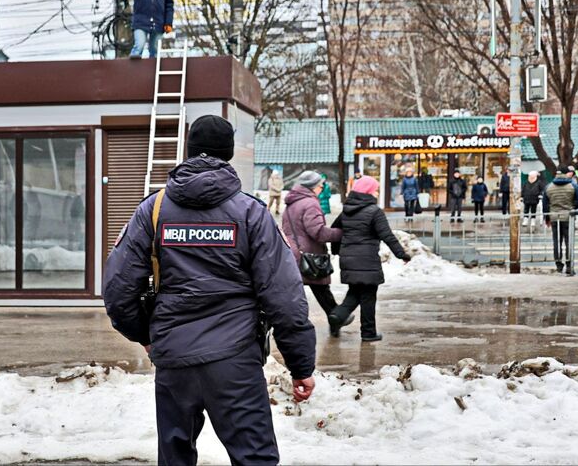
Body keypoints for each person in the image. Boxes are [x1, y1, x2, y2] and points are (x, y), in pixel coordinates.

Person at [103, 115, 315, 466]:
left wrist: (146, 334)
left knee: (175, 459)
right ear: (228, 153)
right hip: (236, 360)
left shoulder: (153, 210)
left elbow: (118, 290)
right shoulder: (251, 213)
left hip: (174, 359)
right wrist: (301, 365)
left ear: (189, 151)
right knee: (255, 459)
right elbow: (284, 298)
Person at [329, 176, 411, 342]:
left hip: (349, 259)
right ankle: (368, 333)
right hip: (366, 260)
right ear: (368, 191)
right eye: (375, 189)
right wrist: (402, 254)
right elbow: (387, 235)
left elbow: (335, 231)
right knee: (368, 296)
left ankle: (337, 315)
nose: (377, 191)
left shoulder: (347, 210)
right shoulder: (374, 211)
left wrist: (337, 251)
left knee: (355, 292)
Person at [282, 171, 344, 336]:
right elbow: (318, 232)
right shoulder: (310, 203)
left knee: (301, 292)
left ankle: (335, 320)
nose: (322, 187)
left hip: (293, 253)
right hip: (310, 254)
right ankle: (336, 318)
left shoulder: (291, 202)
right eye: (320, 185)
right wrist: (341, 233)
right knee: (321, 289)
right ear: (312, 187)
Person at [543, 165, 578, 274]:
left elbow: (545, 205)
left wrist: (547, 218)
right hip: (568, 217)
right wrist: (573, 207)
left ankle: (558, 265)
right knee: (569, 242)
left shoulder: (549, 186)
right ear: (566, 173)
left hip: (554, 217)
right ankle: (569, 265)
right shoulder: (573, 185)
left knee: (556, 241)